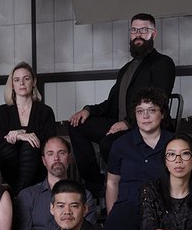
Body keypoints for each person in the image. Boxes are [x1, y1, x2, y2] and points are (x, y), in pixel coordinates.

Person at [67, 13, 177, 196]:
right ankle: (96, 185)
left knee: (109, 143)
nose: (138, 34)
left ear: (154, 34)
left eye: (143, 30)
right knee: (77, 126)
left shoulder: (163, 63)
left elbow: (159, 99)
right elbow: (111, 103)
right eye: (134, 30)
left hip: (145, 125)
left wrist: (127, 122)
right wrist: (87, 110)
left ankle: (122, 185)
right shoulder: (126, 69)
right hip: (120, 124)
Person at [104, 88, 176, 230]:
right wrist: (112, 214)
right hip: (128, 206)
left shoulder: (175, 143)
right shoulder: (120, 145)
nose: (145, 116)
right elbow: (112, 183)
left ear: (163, 114)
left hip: (164, 207)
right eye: (140, 112)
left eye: (151, 110)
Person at [15, 136, 97, 230]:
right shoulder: (28, 195)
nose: (56, 158)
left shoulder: (85, 196)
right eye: (50, 154)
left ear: (70, 158)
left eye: (62, 153)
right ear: (43, 161)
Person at [0, 62, 57, 193]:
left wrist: (20, 136)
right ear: (12, 85)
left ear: (34, 82)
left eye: (26, 79)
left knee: (30, 145)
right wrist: (20, 135)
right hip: (9, 165)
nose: (21, 83)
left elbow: (49, 141)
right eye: (17, 80)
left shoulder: (45, 111)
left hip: (37, 166)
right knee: (7, 148)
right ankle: (23, 192)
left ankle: (18, 193)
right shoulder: (1, 112)